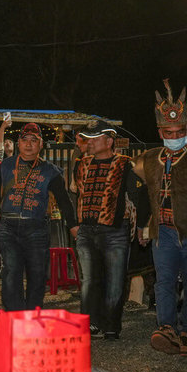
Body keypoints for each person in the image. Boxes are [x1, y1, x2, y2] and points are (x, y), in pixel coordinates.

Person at [132, 81, 187, 356]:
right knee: (164, 281)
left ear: (186, 130)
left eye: (179, 131)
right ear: (160, 131)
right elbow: (142, 194)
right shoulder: (147, 160)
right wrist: (143, 225)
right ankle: (167, 329)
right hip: (163, 233)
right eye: (168, 131)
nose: (174, 135)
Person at [0, 123, 78, 311]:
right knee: (11, 274)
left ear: (41, 145)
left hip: (36, 229)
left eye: (34, 140)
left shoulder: (51, 171)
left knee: (37, 275)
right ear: (18, 143)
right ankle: (14, 318)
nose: (29, 144)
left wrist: (73, 225)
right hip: (9, 227)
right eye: (25, 140)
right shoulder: (6, 166)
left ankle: (32, 317)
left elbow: (65, 201)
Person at [74, 120, 139, 340]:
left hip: (114, 231)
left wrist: (139, 225)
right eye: (88, 138)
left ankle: (111, 325)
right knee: (89, 280)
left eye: (95, 138)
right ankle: (91, 323)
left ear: (109, 141)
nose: (89, 143)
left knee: (114, 280)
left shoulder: (126, 164)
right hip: (86, 230)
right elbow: (78, 193)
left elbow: (135, 196)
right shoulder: (81, 164)